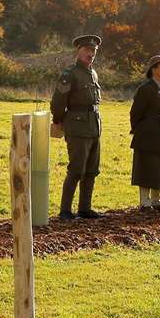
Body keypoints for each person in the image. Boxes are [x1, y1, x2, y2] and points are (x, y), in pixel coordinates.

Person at [51, 34, 104, 220]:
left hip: (94, 126)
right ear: (79, 51)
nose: (91, 54)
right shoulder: (70, 74)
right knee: (76, 169)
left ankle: (85, 208)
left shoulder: (92, 73)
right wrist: (58, 121)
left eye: (94, 51)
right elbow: (58, 101)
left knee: (91, 170)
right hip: (77, 125)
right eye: (87, 50)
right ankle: (65, 210)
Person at [129, 55, 160, 210]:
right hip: (147, 135)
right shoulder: (145, 89)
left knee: (158, 168)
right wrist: (141, 130)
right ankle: (145, 201)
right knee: (145, 168)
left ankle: (156, 200)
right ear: (153, 70)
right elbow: (135, 113)